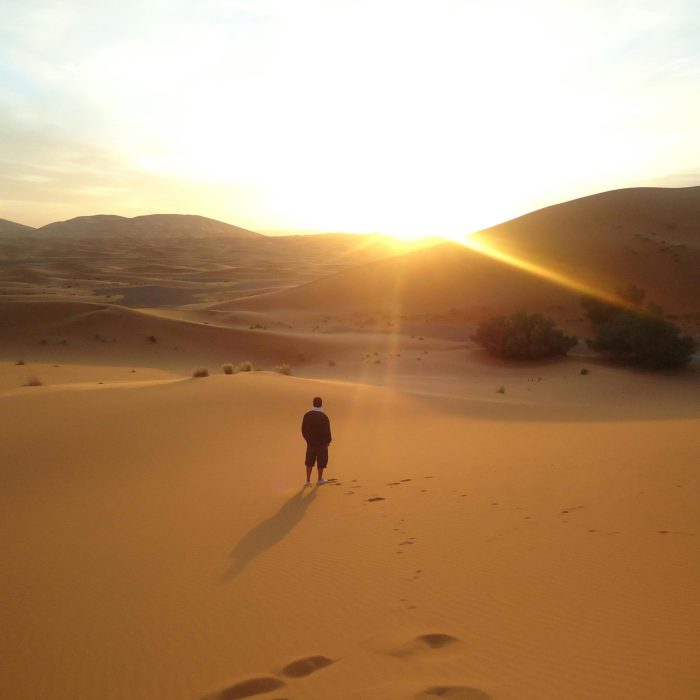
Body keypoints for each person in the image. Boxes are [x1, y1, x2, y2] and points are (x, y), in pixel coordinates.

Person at [301, 396, 332, 486]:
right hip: (322, 444)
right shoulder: (324, 416)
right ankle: (319, 479)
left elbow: (303, 430)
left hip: (310, 443)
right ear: (321, 404)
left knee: (309, 462)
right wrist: (328, 441)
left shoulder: (307, 415)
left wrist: (308, 440)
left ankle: (307, 480)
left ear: (313, 403)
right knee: (321, 462)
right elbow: (327, 431)